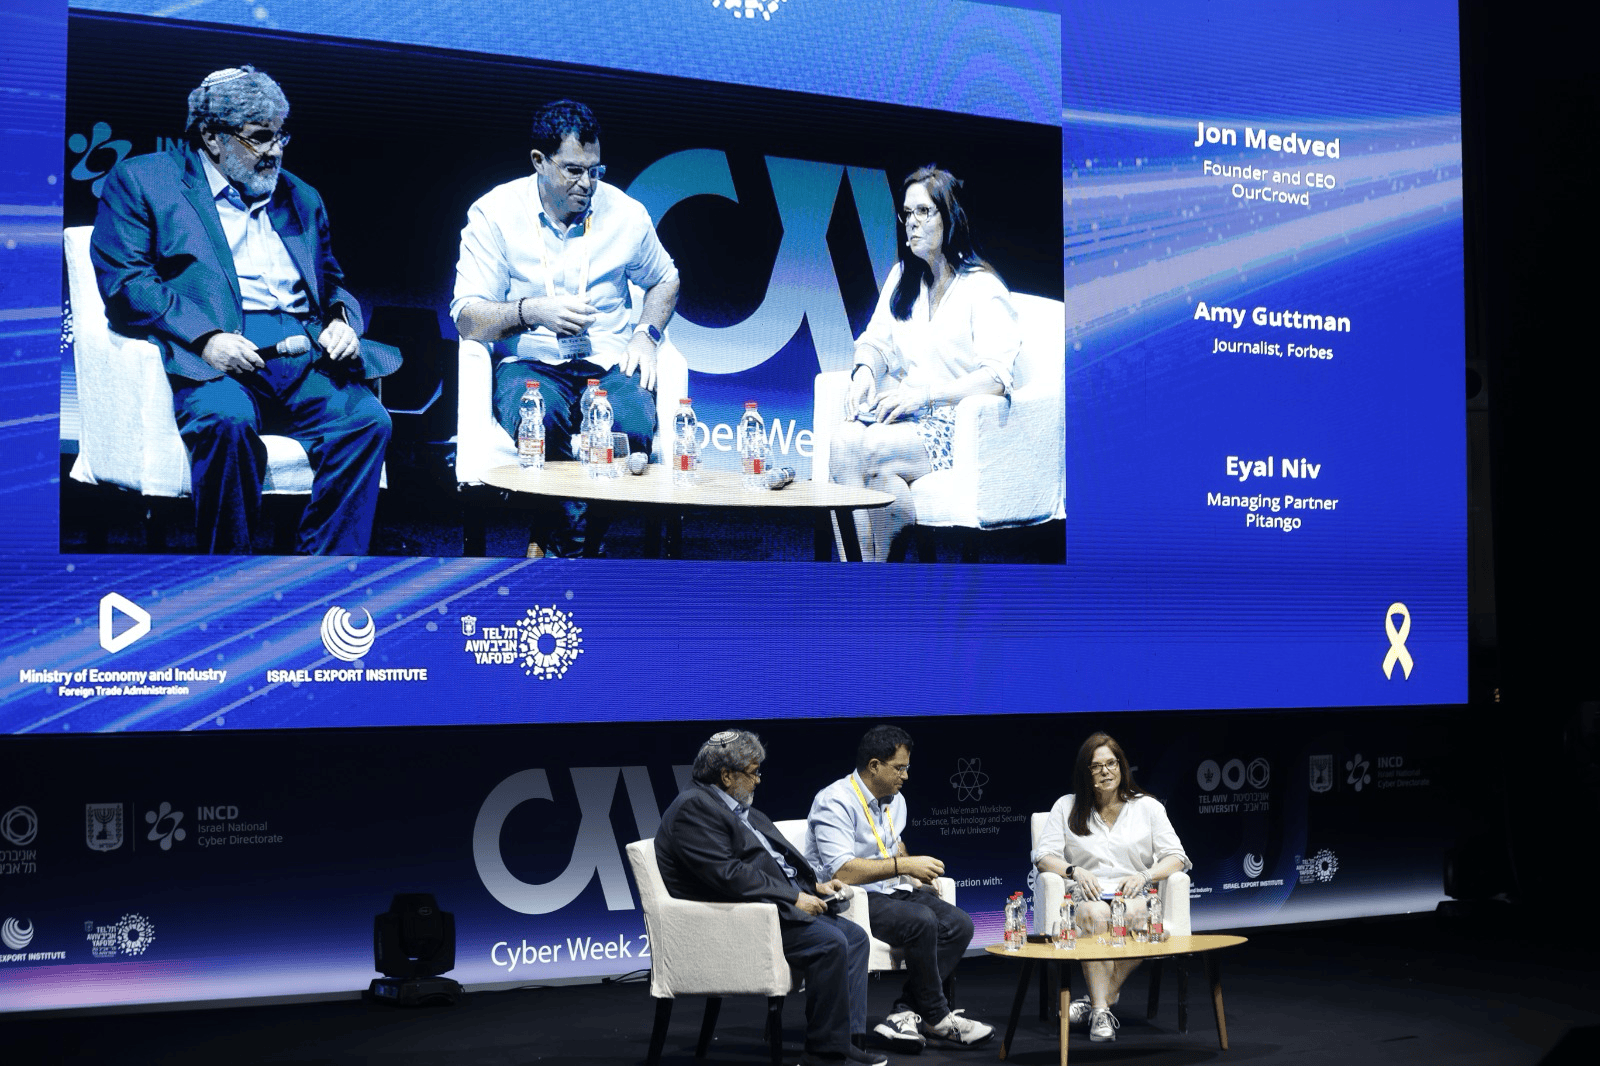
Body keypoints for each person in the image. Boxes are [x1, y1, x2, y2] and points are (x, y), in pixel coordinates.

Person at [90, 66, 398, 554]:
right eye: (259, 138)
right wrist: (207, 338)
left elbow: (332, 281)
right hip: (217, 355)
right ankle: (230, 575)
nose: (274, 150)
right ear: (212, 136)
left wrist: (341, 321)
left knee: (367, 422)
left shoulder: (302, 197)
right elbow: (126, 282)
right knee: (226, 422)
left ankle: (320, 576)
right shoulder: (145, 180)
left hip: (302, 353)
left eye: (280, 136)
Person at [452, 99, 680, 558]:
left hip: (609, 361)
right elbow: (467, 315)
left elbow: (666, 279)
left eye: (596, 170)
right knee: (543, 418)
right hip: (531, 362)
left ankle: (563, 545)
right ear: (539, 162)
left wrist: (646, 335)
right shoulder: (494, 214)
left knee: (632, 418)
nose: (588, 184)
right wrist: (531, 311)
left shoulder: (625, 213)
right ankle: (573, 550)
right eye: (574, 171)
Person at [655, 730, 884, 1066]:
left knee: (855, 937)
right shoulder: (694, 809)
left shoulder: (734, 806)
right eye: (753, 772)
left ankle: (845, 1040)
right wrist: (793, 897)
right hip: (738, 920)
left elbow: (771, 860)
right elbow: (729, 875)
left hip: (768, 906)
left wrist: (814, 886)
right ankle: (823, 1050)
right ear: (727, 775)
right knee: (832, 942)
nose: (758, 780)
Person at [828, 165, 1021, 562]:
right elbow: (877, 341)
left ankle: (870, 585)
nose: (910, 224)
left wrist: (927, 396)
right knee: (844, 443)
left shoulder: (982, 289)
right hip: (912, 417)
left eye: (923, 213)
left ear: (949, 219)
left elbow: (997, 377)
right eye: (906, 213)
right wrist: (864, 371)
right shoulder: (903, 278)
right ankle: (862, 577)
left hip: (959, 425)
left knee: (872, 450)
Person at [804, 724, 992, 1049]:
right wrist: (904, 865)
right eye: (899, 768)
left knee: (959, 924)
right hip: (851, 899)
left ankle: (905, 1013)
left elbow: (892, 843)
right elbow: (843, 870)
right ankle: (936, 1016)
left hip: (892, 890)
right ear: (874, 765)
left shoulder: (895, 800)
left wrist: (910, 871)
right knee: (921, 920)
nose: (905, 776)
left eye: (907, 767)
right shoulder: (835, 802)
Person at [1033, 732, 1191, 1043]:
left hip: (1134, 894)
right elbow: (1043, 856)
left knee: (1132, 914)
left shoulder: (1148, 807)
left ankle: (1098, 1006)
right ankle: (1102, 1009)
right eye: (1097, 766)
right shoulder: (1066, 807)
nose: (1107, 771)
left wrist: (1145, 876)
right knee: (1097, 915)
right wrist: (1073, 871)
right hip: (1084, 896)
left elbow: (1178, 857)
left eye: (1112, 763)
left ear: (1122, 767)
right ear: (1085, 772)